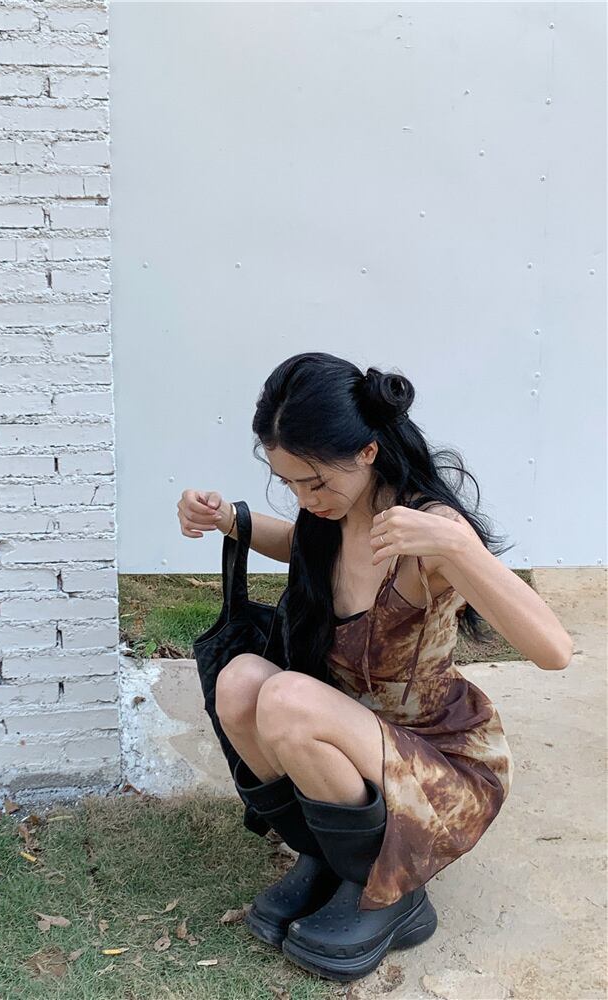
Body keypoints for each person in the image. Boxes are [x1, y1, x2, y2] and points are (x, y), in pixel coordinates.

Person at [177, 351, 573, 983]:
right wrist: (228, 520)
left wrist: (459, 545)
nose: (305, 498)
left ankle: (387, 890)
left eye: (315, 483)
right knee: (240, 682)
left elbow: (553, 650)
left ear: (366, 452)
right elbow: (304, 547)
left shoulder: (427, 529)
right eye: (290, 483)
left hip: (437, 763)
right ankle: (327, 858)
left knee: (285, 699)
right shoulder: (330, 514)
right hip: (353, 734)